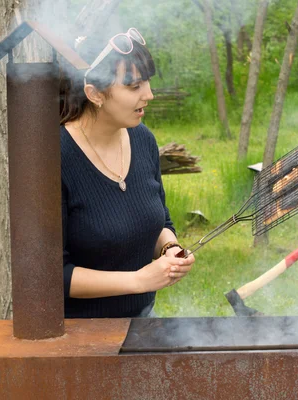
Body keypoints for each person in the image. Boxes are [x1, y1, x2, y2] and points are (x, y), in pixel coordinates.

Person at [60, 28, 195, 318]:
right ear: (94, 94)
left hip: (143, 322)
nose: (149, 94)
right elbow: (53, 275)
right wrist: (138, 280)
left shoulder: (143, 139)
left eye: (147, 82)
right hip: (77, 336)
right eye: (134, 86)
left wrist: (169, 248)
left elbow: (161, 218)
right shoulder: (56, 158)